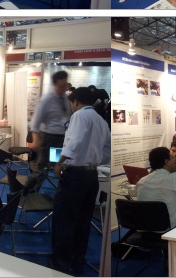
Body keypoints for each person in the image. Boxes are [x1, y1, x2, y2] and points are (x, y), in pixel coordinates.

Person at [51, 87, 111, 275]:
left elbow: (74, 142)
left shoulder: (79, 116)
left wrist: (59, 163)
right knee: (83, 221)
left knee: (64, 220)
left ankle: (60, 264)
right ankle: (78, 260)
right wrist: (93, 159)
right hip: (91, 176)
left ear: (75, 102)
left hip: (75, 175)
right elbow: (108, 149)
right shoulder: (101, 120)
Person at [30, 70, 72, 178]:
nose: (64, 88)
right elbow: (35, 121)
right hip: (49, 138)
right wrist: (35, 139)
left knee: (59, 166)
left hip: (61, 138)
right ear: (54, 85)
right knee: (42, 169)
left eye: (65, 85)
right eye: (61, 86)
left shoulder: (65, 99)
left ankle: (60, 187)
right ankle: (29, 188)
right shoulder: (46, 99)